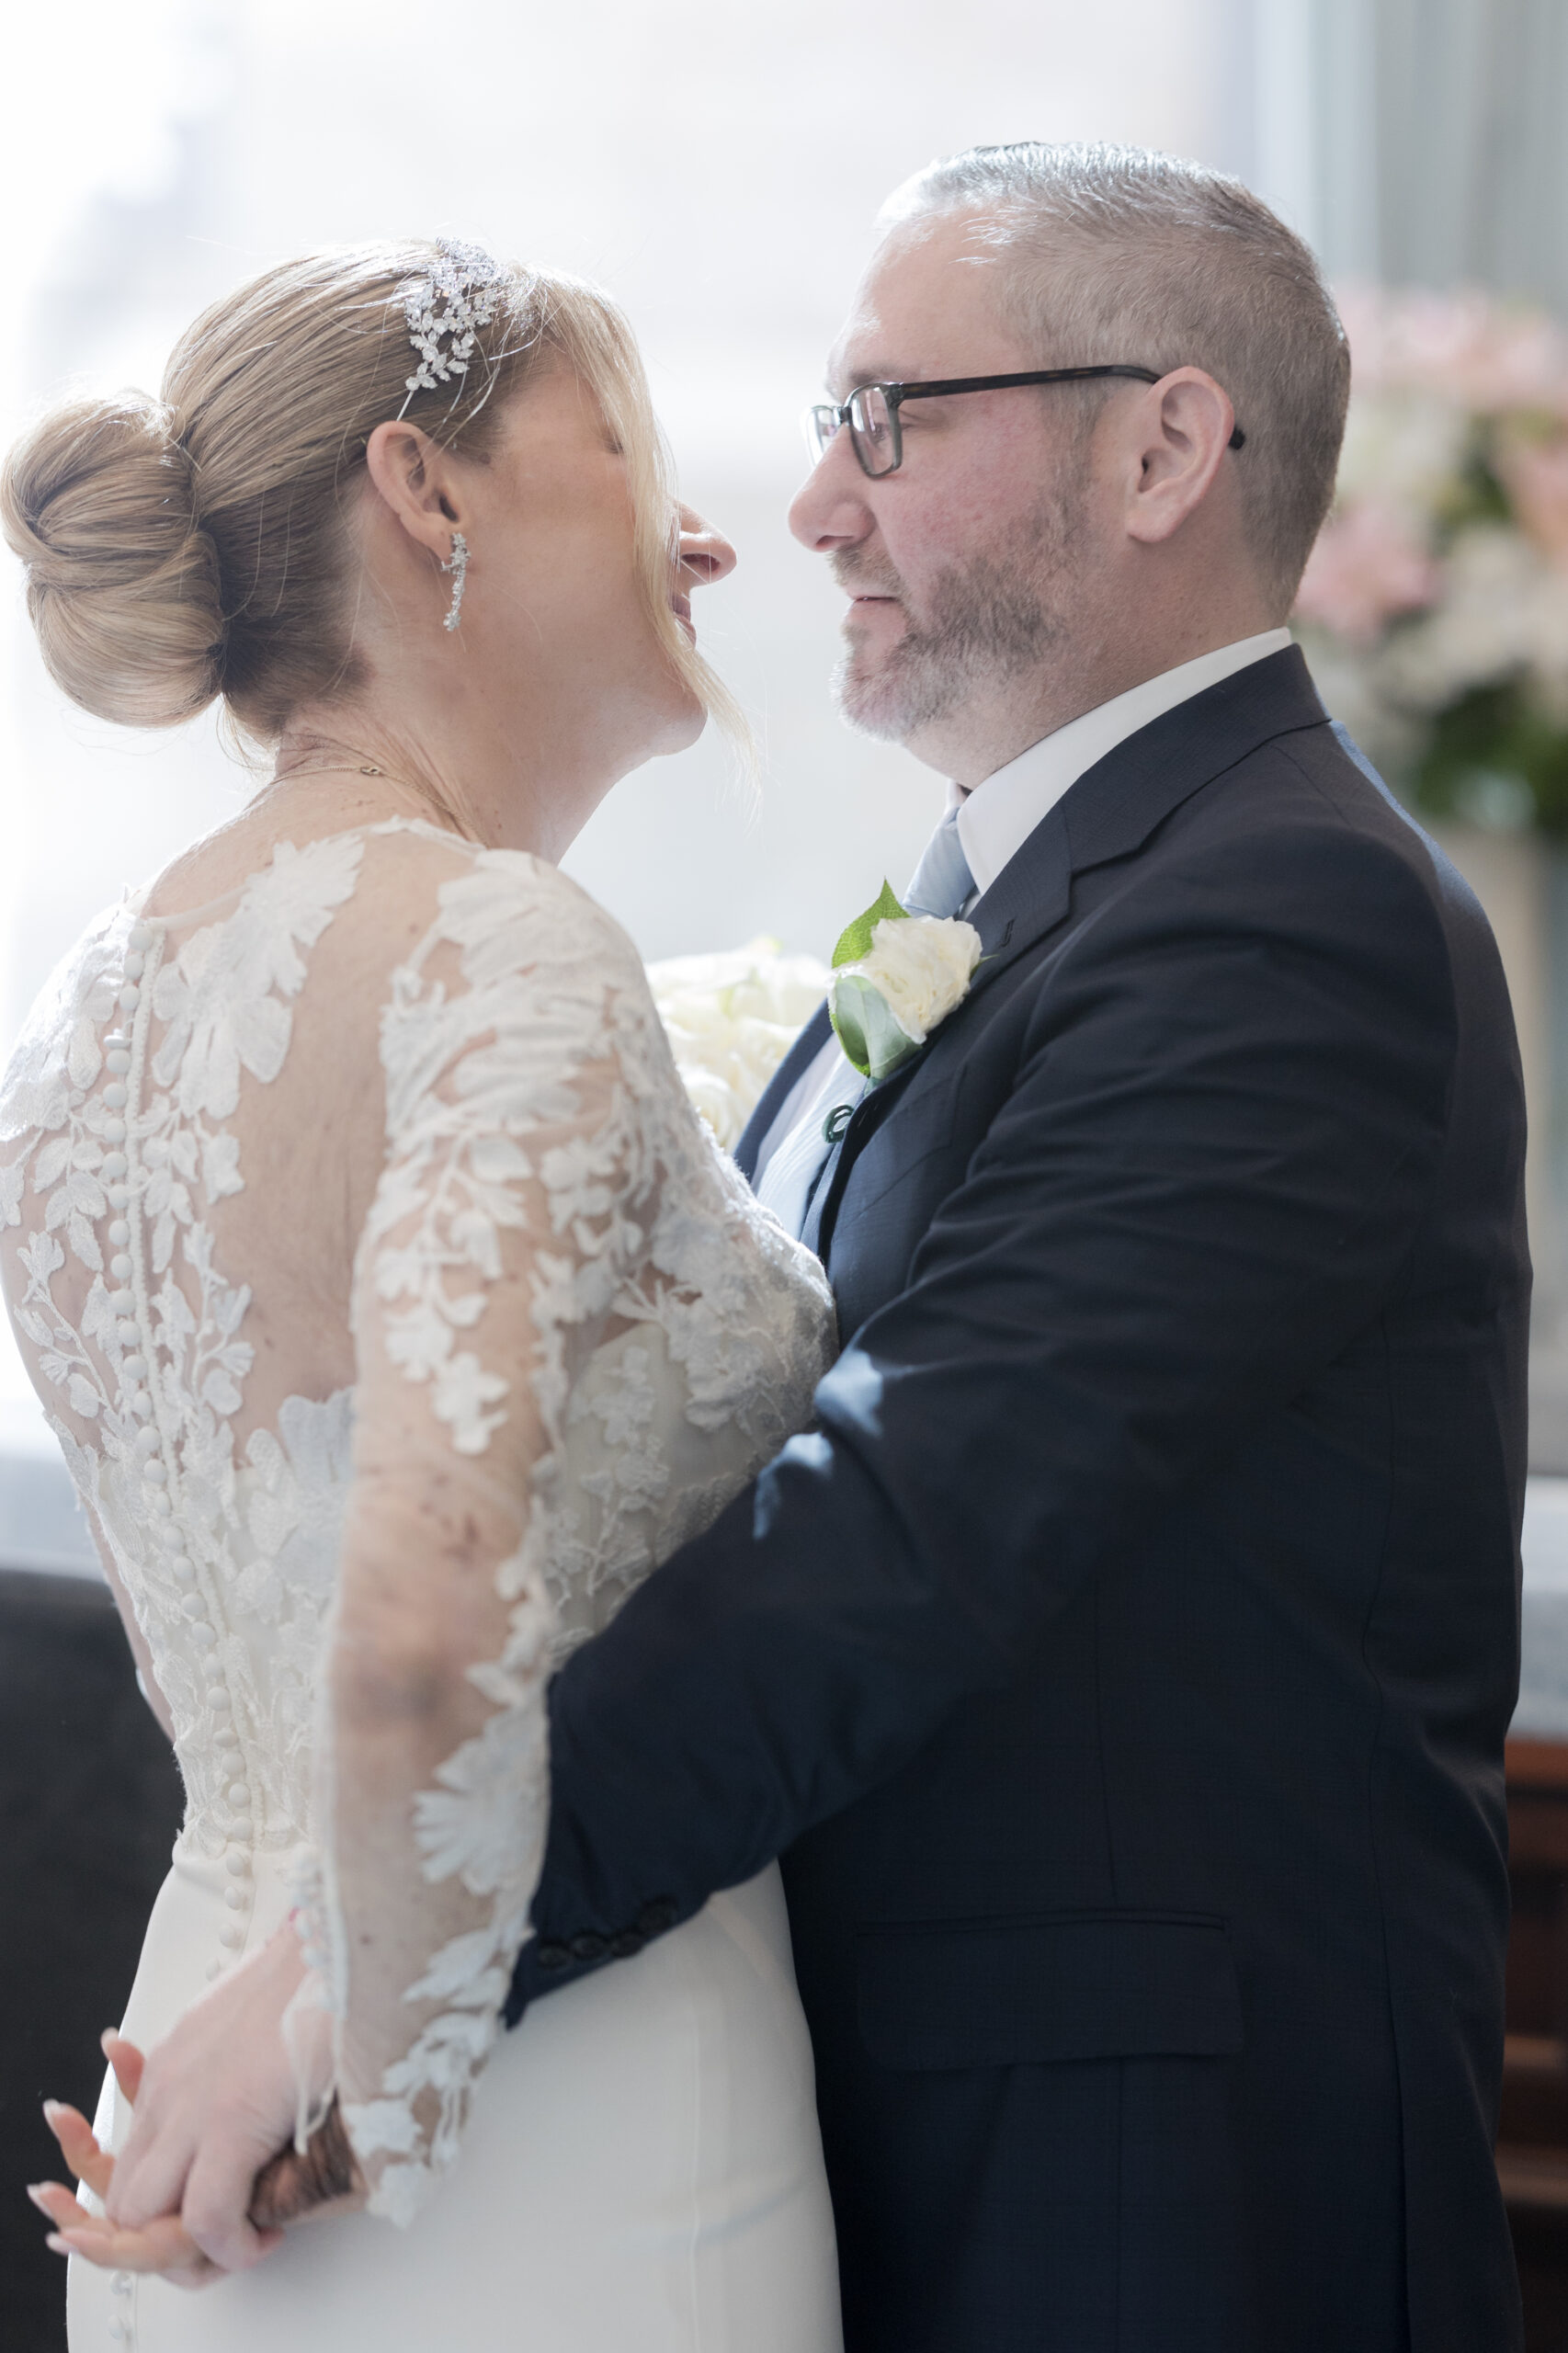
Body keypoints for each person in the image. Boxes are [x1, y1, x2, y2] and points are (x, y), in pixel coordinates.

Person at [41, 142, 1529, 2352]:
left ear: (1162, 446)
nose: (810, 504)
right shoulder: (971, 899)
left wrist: (367, 1962)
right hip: (680, 2094)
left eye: (891, 417)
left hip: (1130, 2186)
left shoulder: (1284, 909)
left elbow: (896, 1520)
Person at [0, 239, 845, 2352]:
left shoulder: (68, 1034)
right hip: (520, 2120)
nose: (692, 521)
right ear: (427, 491)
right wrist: (384, 2068)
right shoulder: (498, 949)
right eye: (627, 447)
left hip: (192, 2073)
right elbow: (414, 1605)